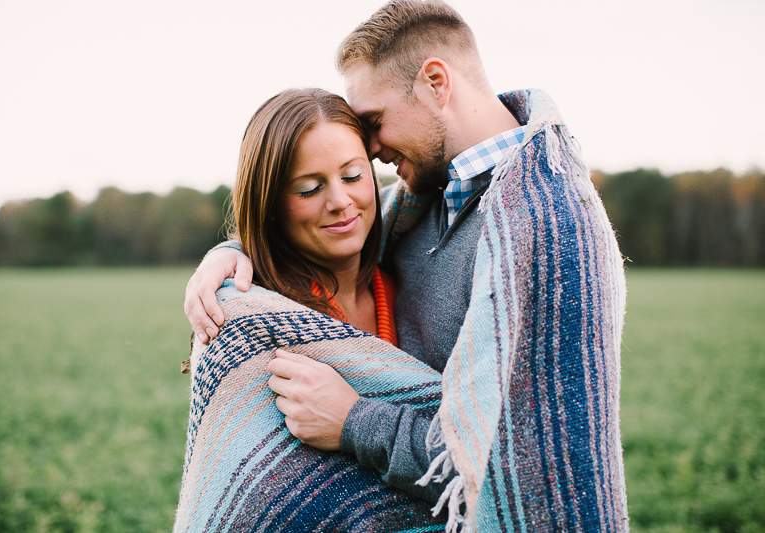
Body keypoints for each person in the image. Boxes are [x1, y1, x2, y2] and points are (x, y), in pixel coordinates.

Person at [185, 0, 629, 531]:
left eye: (374, 122)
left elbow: (507, 467)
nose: (371, 150)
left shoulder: (545, 224)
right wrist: (231, 254)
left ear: (436, 83)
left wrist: (354, 420)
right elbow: (323, 232)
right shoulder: (428, 202)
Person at [174, 87, 449, 532]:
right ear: (270, 203)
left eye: (354, 175)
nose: (340, 201)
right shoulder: (245, 324)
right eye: (309, 187)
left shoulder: (416, 281)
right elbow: (253, 504)